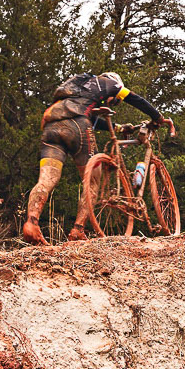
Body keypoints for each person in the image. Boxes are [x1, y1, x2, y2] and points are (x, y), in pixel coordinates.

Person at [23, 72, 166, 244]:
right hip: (77, 125)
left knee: (46, 179)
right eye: (114, 101)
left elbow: (92, 117)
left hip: (51, 126)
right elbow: (135, 99)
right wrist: (158, 117)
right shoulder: (109, 83)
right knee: (93, 178)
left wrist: (119, 128)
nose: (111, 102)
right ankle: (78, 229)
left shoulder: (78, 86)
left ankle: (32, 223)